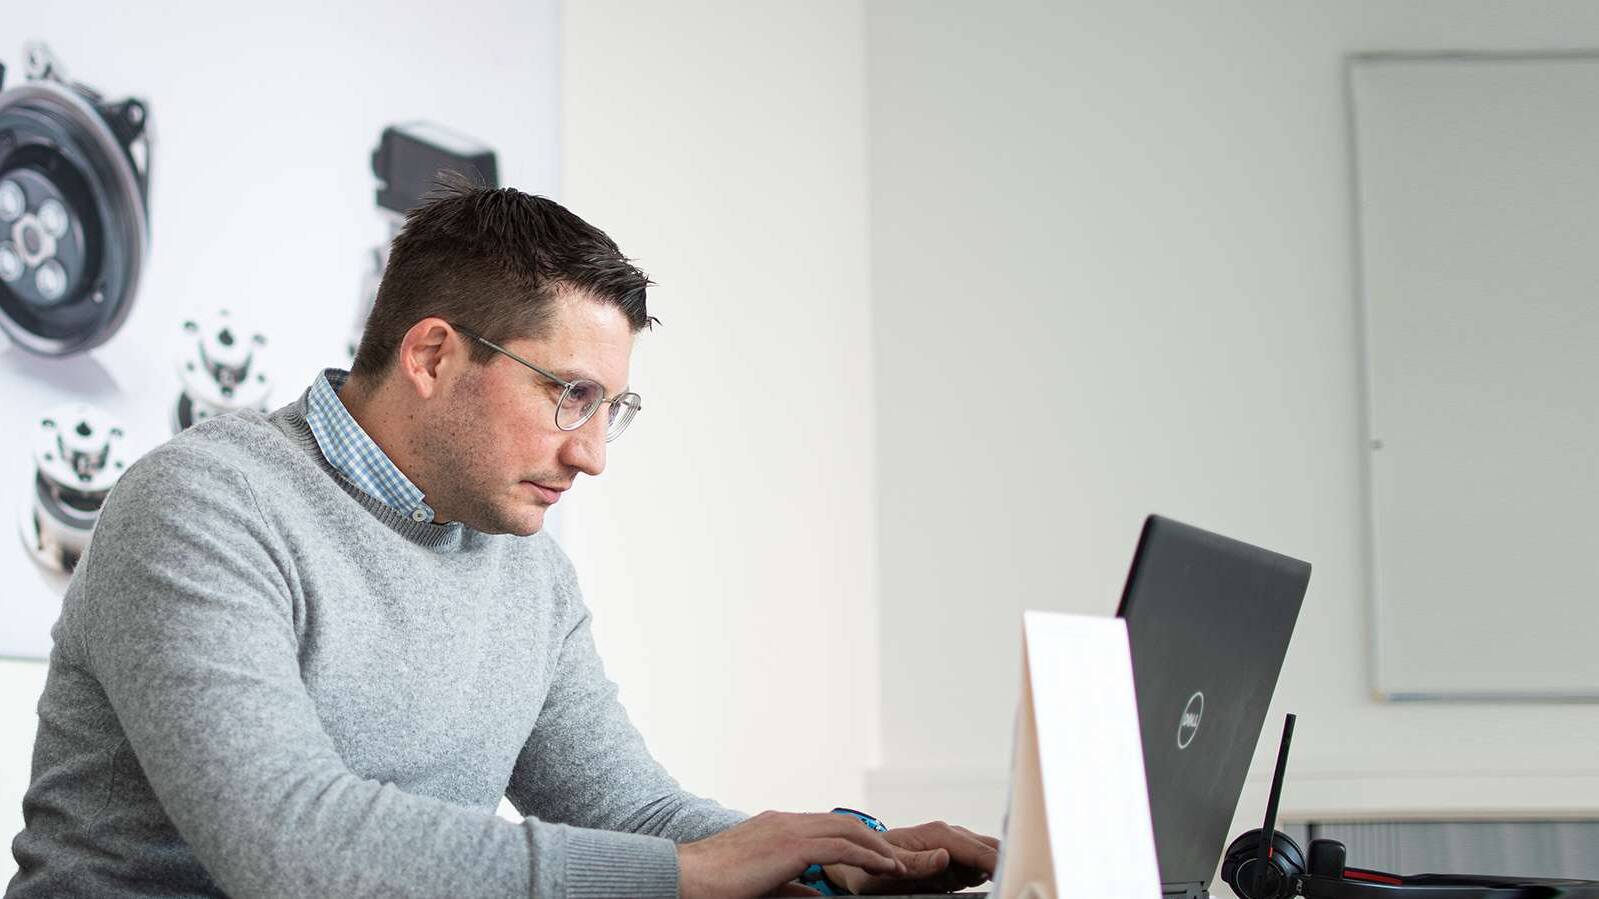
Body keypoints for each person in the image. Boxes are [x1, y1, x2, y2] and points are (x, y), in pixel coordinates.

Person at [6, 179, 999, 898]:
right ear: (434, 354)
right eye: (571, 395)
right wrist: (690, 873)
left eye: (614, 407)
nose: (594, 454)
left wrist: (838, 854)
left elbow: (631, 813)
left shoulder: (527, 565)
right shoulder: (202, 506)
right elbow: (291, 846)